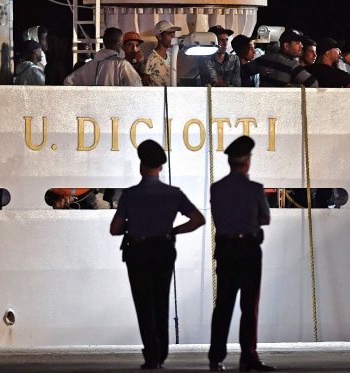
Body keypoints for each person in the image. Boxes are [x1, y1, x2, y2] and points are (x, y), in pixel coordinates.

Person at [110, 139, 205, 370]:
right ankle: (162, 352)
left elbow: (115, 229)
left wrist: (132, 226)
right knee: (161, 301)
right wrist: (173, 230)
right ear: (161, 167)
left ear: (142, 166)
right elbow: (198, 220)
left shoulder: (130, 195)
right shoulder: (174, 194)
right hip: (164, 249)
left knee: (144, 304)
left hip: (138, 252)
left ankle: (151, 354)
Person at [208, 136, 274, 372]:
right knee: (249, 306)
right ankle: (248, 356)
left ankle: (216, 357)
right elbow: (265, 218)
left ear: (230, 162)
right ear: (247, 162)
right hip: (248, 250)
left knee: (223, 305)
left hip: (225, 251)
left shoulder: (216, 189)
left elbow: (218, 216)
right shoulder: (255, 189)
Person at [63, 27, 142, 86]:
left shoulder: (89, 66)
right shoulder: (122, 64)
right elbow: (136, 86)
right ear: (119, 44)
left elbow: (68, 82)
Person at [241, 28, 318, 87]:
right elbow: (314, 84)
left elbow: (242, 72)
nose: (301, 46)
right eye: (297, 43)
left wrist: (251, 89)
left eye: (301, 43)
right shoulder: (292, 66)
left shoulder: (264, 59)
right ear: (286, 46)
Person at [143, 20, 181, 86]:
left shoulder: (170, 56)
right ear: (159, 36)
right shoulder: (151, 58)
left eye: (174, 34)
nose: (173, 37)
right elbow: (144, 82)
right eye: (170, 34)